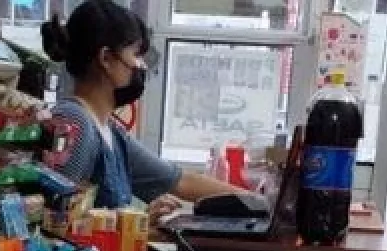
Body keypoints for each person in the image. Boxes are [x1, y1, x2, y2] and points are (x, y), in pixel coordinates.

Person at [40, 0, 240, 218]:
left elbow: (180, 181)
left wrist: (254, 202)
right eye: (135, 54)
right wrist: (134, 223)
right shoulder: (75, 121)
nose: (141, 66)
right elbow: (56, 217)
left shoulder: (112, 133)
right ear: (106, 58)